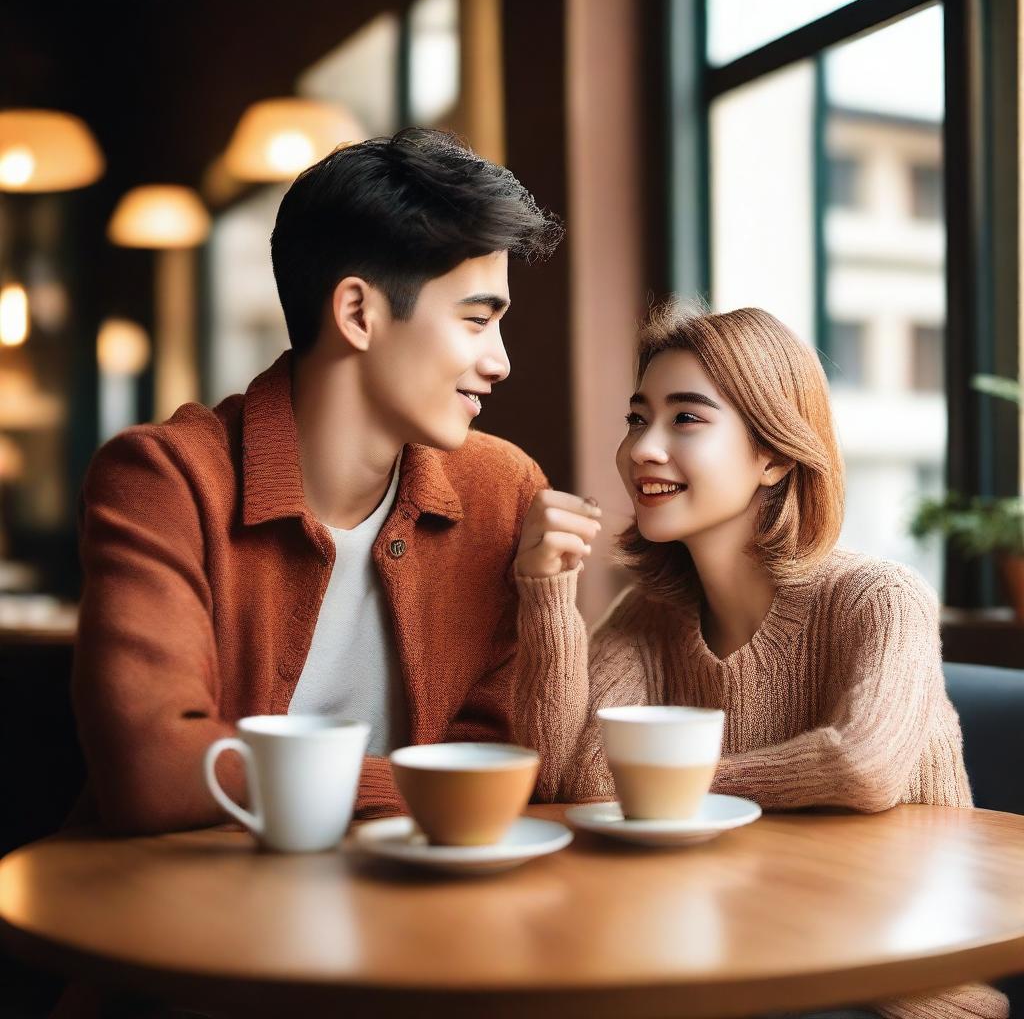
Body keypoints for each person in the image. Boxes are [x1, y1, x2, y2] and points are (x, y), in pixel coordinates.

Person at [510, 302, 1009, 1019]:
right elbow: (569, 781)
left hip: (891, 989)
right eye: (636, 418)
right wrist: (547, 594)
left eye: (686, 419)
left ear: (773, 454)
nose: (644, 447)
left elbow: (860, 767)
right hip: (716, 958)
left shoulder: (879, 598)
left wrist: (664, 785)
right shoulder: (647, 618)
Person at [71, 127, 574, 834]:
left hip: (412, 911)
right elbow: (157, 771)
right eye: (475, 321)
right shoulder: (165, 479)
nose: (501, 362)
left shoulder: (504, 491)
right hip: (181, 909)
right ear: (358, 313)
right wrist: (433, 784)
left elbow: (517, 760)